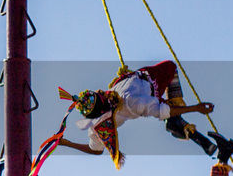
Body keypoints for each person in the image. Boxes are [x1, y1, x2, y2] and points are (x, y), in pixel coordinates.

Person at [52, 61, 218, 166]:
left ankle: (178, 125)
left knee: (169, 104)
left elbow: (95, 150)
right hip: (151, 85)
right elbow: (162, 111)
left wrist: (67, 143)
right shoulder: (132, 102)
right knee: (171, 72)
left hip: (143, 79)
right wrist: (196, 108)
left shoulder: (96, 125)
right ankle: (177, 124)